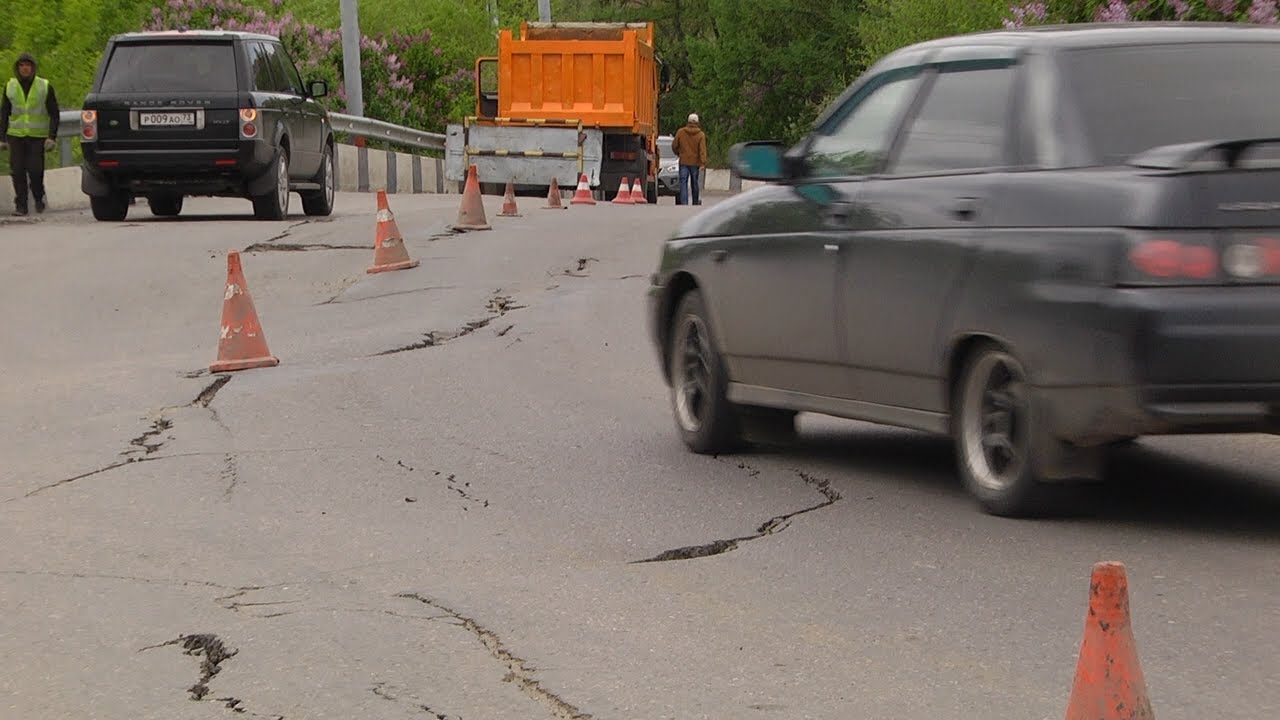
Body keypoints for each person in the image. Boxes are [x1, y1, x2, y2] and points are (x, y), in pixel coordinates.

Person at [1, 52, 60, 216]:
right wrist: (2, 138)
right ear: (17, 68)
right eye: (21, 65)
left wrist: (51, 136)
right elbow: (4, 113)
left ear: (33, 68)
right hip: (16, 135)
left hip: (37, 136)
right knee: (17, 170)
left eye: (27, 65)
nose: (24, 68)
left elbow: (54, 113)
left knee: (35, 170)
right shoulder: (10, 86)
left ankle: (39, 197)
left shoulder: (44, 86)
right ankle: (21, 206)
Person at [672, 112, 707, 206]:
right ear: (697, 122)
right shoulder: (701, 135)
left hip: (683, 161)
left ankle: (684, 202)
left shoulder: (681, 132)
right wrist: (702, 163)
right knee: (694, 182)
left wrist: (679, 153)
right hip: (695, 163)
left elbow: (674, 145)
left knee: (683, 182)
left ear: (688, 121)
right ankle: (695, 202)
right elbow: (702, 150)